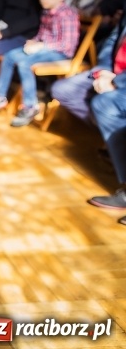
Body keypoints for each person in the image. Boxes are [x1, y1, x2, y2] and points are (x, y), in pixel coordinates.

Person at [0, 0, 79, 127]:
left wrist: (42, 46)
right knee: (10, 55)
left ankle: (30, 106)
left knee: (24, 62)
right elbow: (42, 33)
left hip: (60, 53)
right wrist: (35, 41)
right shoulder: (46, 12)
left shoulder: (67, 14)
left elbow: (67, 44)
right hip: (44, 48)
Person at [51, 17, 126, 225]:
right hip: (113, 72)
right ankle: (115, 143)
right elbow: (113, 38)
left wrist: (117, 83)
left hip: (121, 81)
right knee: (64, 90)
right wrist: (104, 71)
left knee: (105, 104)